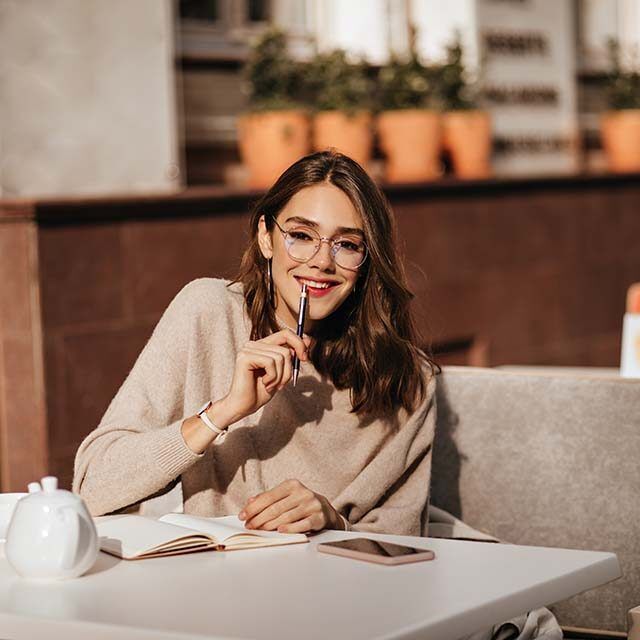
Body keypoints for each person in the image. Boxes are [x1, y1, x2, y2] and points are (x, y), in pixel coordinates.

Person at [73, 150, 438, 535]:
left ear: (368, 258)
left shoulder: (410, 377)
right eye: (300, 236)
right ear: (266, 237)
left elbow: (405, 539)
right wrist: (223, 412)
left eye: (346, 244)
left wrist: (335, 521)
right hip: (220, 583)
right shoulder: (209, 311)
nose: (321, 262)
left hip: (338, 587)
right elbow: (92, 487)